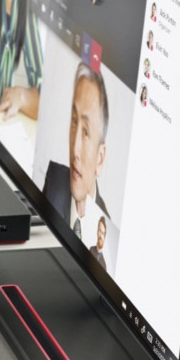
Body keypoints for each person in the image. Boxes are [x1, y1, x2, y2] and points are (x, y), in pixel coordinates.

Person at [43, 62, 110, 246]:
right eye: (74, 121)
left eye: (86, 132)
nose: (74, 150)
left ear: (100, 158)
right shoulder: (54, 180)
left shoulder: (105, 227)